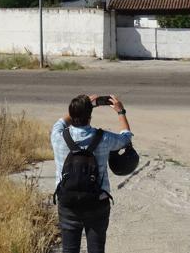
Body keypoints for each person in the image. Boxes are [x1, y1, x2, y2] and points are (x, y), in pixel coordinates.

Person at [51, 94, 133, 253]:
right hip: (97, 202)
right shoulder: (104, 138)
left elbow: (61, 122)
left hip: (68, 202)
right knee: (96, 249)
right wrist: (120, 112)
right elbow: (126, 138)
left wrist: (86, 105)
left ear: (71, 113)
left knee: (69, 249)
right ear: (90, 116)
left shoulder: (58, 136)